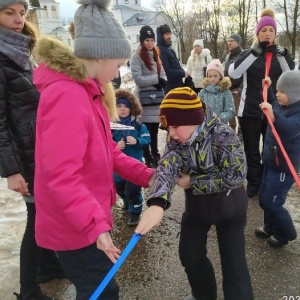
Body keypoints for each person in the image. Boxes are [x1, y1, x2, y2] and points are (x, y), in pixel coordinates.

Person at [32, 0, 155, 299]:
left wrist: (148, 175)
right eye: (118, 61)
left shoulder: (89, 93)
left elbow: (107, 152)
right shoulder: (67, 95)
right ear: (100, 55)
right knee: (101, 291)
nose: (120, 69)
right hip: (74, 225)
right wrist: (95, 226)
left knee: (100, 288)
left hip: (85, 218)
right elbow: (60, 176)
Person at [136, 87, 254, 300]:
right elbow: (167, 167)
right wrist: (157, 202)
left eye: (175, 126)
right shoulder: (176, 141)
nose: (170, 133)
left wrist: (194, 181)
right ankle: (203, 294)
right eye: (167, 127)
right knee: (190, 255)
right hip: (197, 208)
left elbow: (236, 174)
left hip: (228, 207)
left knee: (234, 264)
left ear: (193, 119)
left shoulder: (222, 134)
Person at [0, 1, 65, 299]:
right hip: (25, 154)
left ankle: (49, 265)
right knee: (36, 216)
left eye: (21, 13)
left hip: (40, 147)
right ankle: (29, 289)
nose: (18, 19)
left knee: (44, 211)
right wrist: (12, 170)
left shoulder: (20, 51)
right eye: (9, 13)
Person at [229, 8, 295, 198]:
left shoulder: (280, 54)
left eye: (271, 30)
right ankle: (253, 184)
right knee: (251, 149)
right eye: (263, 30)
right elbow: (233, 73)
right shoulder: (250, 53)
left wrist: (282, 54)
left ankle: (267, 182)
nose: (267, 33)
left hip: (273, 110)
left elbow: (291, 74)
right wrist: (253, 51)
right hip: (250, 108)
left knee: (270, 148)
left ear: (275, 34)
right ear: (258, 33)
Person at [255, 72, 300, 247]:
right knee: (264, 198)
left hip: (283, 168)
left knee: (272, 201)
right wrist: (267, 88)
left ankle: (286, 233)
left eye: (283, 91)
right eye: (278, 91)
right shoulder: (282, 105)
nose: (278, 94)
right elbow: (272, 102)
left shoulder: (297, 112)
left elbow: (290, 130)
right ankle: (270, 226)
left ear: (295, 93)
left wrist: (274, 117)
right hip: (270, 162)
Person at [113, 89, 151, 226]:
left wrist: (137, 141)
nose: (122, 110)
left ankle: (135, 212)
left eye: (126, 107)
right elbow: (104, 142)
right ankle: (127, 201)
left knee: (133, 190)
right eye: (119, 106)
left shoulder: (138, 125)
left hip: (134, 164)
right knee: (119, 188)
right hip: (117, 167)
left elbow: (147, 138)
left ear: (132, 108)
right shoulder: (111, 125)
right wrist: (115, 146)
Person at [131, 25, 167, 167]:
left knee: (154, 130)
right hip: (144, 100)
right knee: (145, 130)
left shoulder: (156, 55)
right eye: (147, 40)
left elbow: (162, 73)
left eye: (152, 40)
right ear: (141, 41)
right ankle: (147, 156)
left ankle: (156, 154)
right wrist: (156, 80)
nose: (150, 43)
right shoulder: (137, 56)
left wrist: (162, 81)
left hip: (156, 98)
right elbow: (137, 78)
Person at [156, 24, 189, 93]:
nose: (169, 36)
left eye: (170, 34)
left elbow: (176, 66)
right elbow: (167, 71)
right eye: (166, 34)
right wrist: (183, 73)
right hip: (170, 88)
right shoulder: (160, 50)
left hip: (177, 86)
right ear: (161, 36)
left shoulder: (169, 49)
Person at [199, 59, 235, 124]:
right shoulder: (203, 92)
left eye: (215, 76)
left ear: (220, 76)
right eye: (210, 76)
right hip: (205, 125)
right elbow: (198, 108)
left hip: (220, 126)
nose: (212, 79)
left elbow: (230, 111)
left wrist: (220, 118)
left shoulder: (226, 92)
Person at [223, 34, 243, 134]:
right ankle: (231, 130)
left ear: (238, 42)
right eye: (228, 41)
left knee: (239, 112)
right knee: (230, 111)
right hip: (228, 89)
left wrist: (240, 89)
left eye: (232, 41)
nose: (229, 43)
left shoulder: (242, 55)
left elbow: (245, 75)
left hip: (237, 90)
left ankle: (241, 131)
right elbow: (225, 72)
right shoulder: (228, 55)